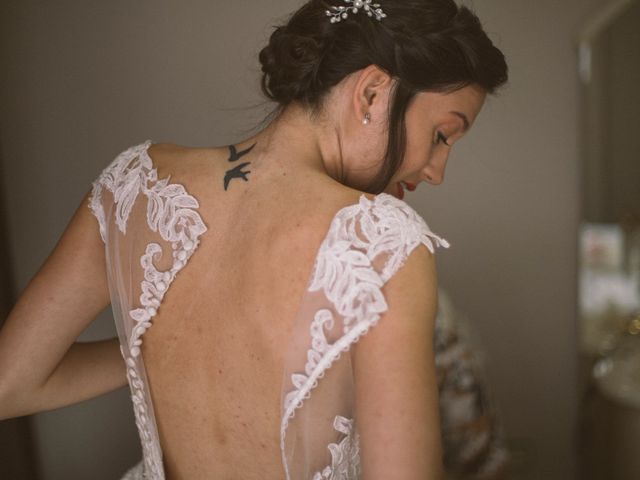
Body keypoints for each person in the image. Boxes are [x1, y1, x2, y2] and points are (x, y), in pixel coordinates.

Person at [0, 0, 508, 478]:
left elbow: (11, 384)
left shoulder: (135, 185)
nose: (438, 170)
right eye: (443, 135)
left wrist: (164, 337)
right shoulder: (382, 241)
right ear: (372, 92)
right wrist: (161, 340)